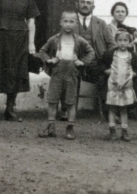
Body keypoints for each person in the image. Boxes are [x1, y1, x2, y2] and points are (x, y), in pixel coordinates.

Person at [36, 11, 94, 140]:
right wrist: (48, 60)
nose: (68, 24)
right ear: (60, 22)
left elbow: (91, 52)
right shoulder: (55, 39)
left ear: (76, 24)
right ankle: (51, 127)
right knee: (52, 101)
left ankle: (70, 128)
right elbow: (42, 51)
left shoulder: (79, 40)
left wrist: (82, 62)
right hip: (57, 74)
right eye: (66, 21)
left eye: (72, 22)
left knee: (70, 102)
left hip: (72, 74)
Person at [103, 30, 137, 141]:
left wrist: (134, 74)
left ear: (130, 42)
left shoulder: (132, 55)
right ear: (116, 41)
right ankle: (112, 131)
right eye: (120, 40)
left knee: (124, 109)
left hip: (126, 85)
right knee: (112, 108)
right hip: (114, 85)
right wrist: (106, 71)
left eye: (125, 40)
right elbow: (102, 64)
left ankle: (124, 132)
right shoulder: (111, 54)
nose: (122, 43)